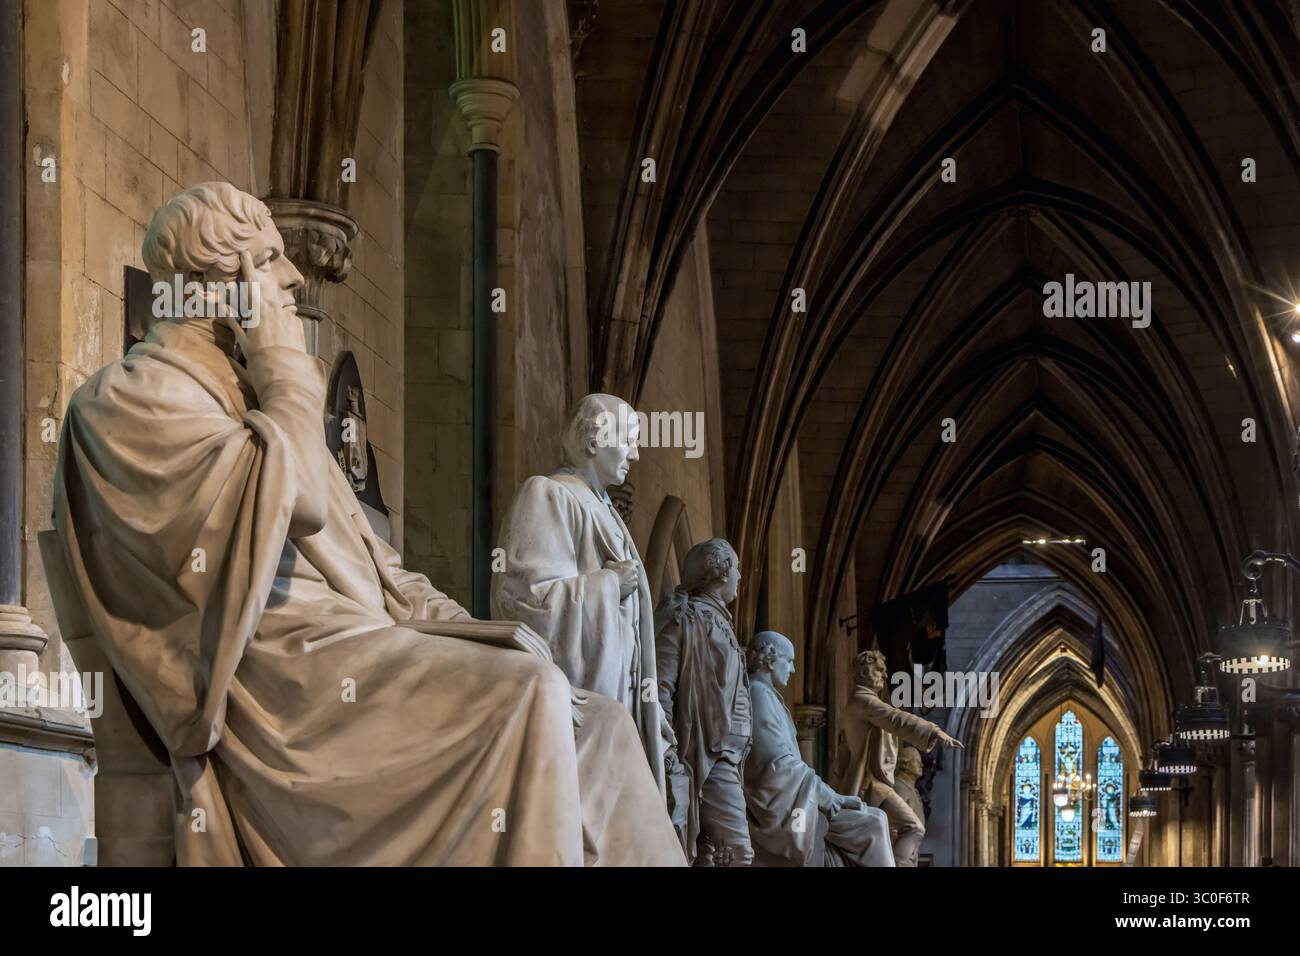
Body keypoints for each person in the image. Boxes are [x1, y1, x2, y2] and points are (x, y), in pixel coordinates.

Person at [52, 182, 683, 866]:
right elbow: (296, 506)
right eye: (269, 259)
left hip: (360, 649)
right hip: (281, 686)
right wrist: (283, 363)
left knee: (602, 727)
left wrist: (477, 629)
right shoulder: (129, 398)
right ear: (217, 281)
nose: (292, 276)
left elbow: (377, 564)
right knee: (527, 697)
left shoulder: (249, 400)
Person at [492, 393, 668, 789]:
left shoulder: (605, 511)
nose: (636, 454)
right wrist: (609, 585)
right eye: (629, 440)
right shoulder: (547, 494)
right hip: (579, 711)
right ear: (594, 441)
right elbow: (523, 603)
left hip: (620, 706)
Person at [743, 631, 894, 866]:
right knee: (872, 825)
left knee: (876, 819)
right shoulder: (758, 695)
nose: (792, 670)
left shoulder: (767, 696)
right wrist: (828, 797)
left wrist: (829, 795)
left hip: (795, 801)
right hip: (787, 815)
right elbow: (777, 765)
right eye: (789, 661)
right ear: (770, 659)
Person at [655, 538, 751, 865]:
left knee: (713, 856)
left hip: (730, 758)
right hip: (704, 754)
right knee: (738, 851)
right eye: (737, 568)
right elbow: (659, 686)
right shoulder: (685, 618)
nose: (740, 577)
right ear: (721, 572)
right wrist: (667, 751)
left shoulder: (722, 623)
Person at [837, 649, 962, 866]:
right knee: (913, 827)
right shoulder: (862, 701)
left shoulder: (864, 702)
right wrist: (934, 731)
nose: (885, 676)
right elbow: (895, 718)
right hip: (870, 785)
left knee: (897, 832)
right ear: (866, 672)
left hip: (873, 782)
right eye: (880, 671)